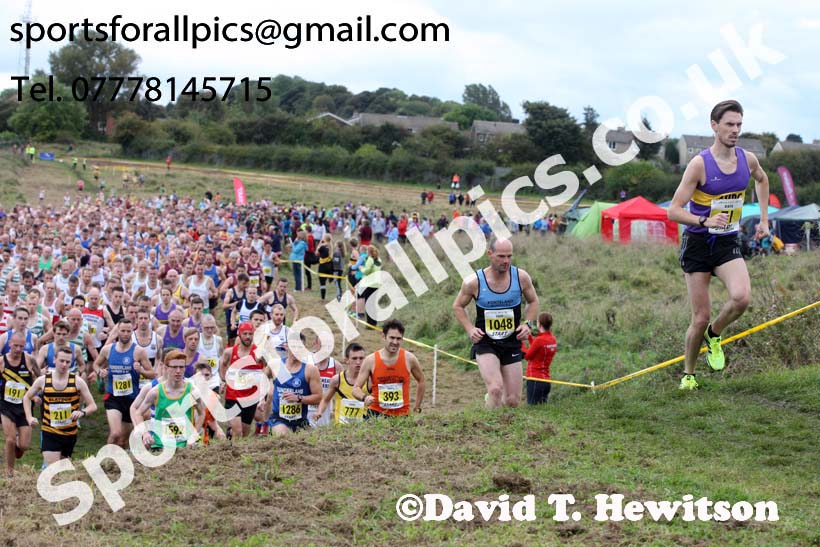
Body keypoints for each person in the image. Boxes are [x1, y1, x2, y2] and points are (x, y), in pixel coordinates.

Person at [667, 100, 769, 390]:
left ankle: (716, 334)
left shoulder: (747, 160)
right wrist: (704, 221)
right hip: (698, 242)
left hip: (726, 241)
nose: (735, 130)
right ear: (714, 126)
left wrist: (764, 219)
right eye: (729, 124)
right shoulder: (700, 164)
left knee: (742, 298)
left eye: (739, 124)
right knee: (699, 317)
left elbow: (762, 181)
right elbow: (673, 211)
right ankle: (689, 375)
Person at [453, 237, 539, 408]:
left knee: (513, 400)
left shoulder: (521, 277)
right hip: (486, 342)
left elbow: (533, 302)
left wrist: (528, 324)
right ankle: (489, 430)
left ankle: (507, 431)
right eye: (501, 256)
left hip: (511, 342)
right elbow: (458, 306)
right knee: (495, 390)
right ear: (490, 254)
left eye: (509, 256)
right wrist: (470, 329)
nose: (506, 261)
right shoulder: (474, 282)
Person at [23, 347, 97, 467]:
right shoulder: (43, 380)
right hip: (50, 431)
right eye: (61, 361)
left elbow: (93, 405)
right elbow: (26, 397)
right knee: (53, 468)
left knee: (62, 471)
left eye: (68, 362)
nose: (64, 364)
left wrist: (82, 412)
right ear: (54, 360)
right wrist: (29, 418)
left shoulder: (77, 381)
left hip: (69, 434)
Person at [93, 318, 155, 447]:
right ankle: (106, 458)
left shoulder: (138, 351)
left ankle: (118, 461)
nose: (125, 334)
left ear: (132, 331)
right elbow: (96, 364)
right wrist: (100, 372)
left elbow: (152, 373)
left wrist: (141, 371)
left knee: (123, 440)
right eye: (123, 331)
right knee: (115, 433)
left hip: (132, 399)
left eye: (128, 331)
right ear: (118, 331)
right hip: (113, 397)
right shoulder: (108, 350)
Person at [132, 349, 206, 450]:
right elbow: (138, 413)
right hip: (160, 446)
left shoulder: (192, 391)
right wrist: (145, 434)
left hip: (184, 448)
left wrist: (193, 436)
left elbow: (202, 413)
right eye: (174, 367)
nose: (178, 371)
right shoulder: (156, 392)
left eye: (181, 367)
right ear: (166, 368)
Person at [352, 319, 425, 417]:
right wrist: (364, 397)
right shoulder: (371, 360)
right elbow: (355, 389)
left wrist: (417, 407)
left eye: (398, 339)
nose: (395, 342)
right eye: (392, 338)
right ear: (383, 337)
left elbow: (421, 380)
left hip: (402, 415)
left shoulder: (409, 358)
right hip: (376, 413)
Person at [1, 332, 41, 477]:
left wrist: (36, 395)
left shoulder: (30, 360)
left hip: (25, 407)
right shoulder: (2, 361)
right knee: (10, 439)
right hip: (6, 405)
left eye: (21, 346)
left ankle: (18, 445)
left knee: (23, 445)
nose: (18, 349)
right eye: (15, 345)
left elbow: (39, 377)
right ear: (9, 344)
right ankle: (9, 472)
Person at [268, 332, 322, 435]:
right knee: (282, 435)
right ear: (287, 346)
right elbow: (263, 376)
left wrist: (298, 398)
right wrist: (268, 389)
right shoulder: (276, 365)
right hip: (279, 418)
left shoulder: (310, 370)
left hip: (300, 420)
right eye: (293, 347)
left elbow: (318, 398)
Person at [311, 342, 369, 425]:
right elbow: (325, 400)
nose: (358, 362)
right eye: (354, 358)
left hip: (362, 429)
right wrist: (319, 412)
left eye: (361, 358)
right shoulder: (337, 380)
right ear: (346, 360)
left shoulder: (369, 380)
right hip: (341, 429)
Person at [522, 312, 557, 405]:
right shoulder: (552, 339)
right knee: (542, 410)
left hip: (535, 380)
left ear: (539, 324)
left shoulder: (539, 340)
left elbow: (527, 356)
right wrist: (529, 337)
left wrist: (520, 344)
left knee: (533, 410)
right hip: (546, 381)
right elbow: (538, 347)